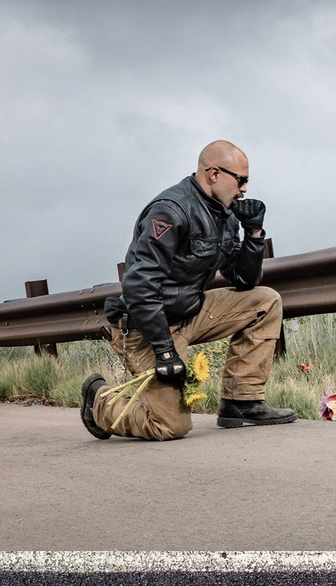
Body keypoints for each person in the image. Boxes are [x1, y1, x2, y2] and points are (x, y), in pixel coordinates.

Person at [80, 139, 296, 441]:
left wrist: (254, 233)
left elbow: (243, 280)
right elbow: (139, 286)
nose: (245, 189)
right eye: (242, 180)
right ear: (214, 174)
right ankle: (100, 402)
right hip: (146, 328)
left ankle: (241, 402)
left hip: (189, 313)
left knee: (265, 301)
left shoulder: (226, 214)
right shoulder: (170, 211)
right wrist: (165, 351)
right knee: (170, 426)